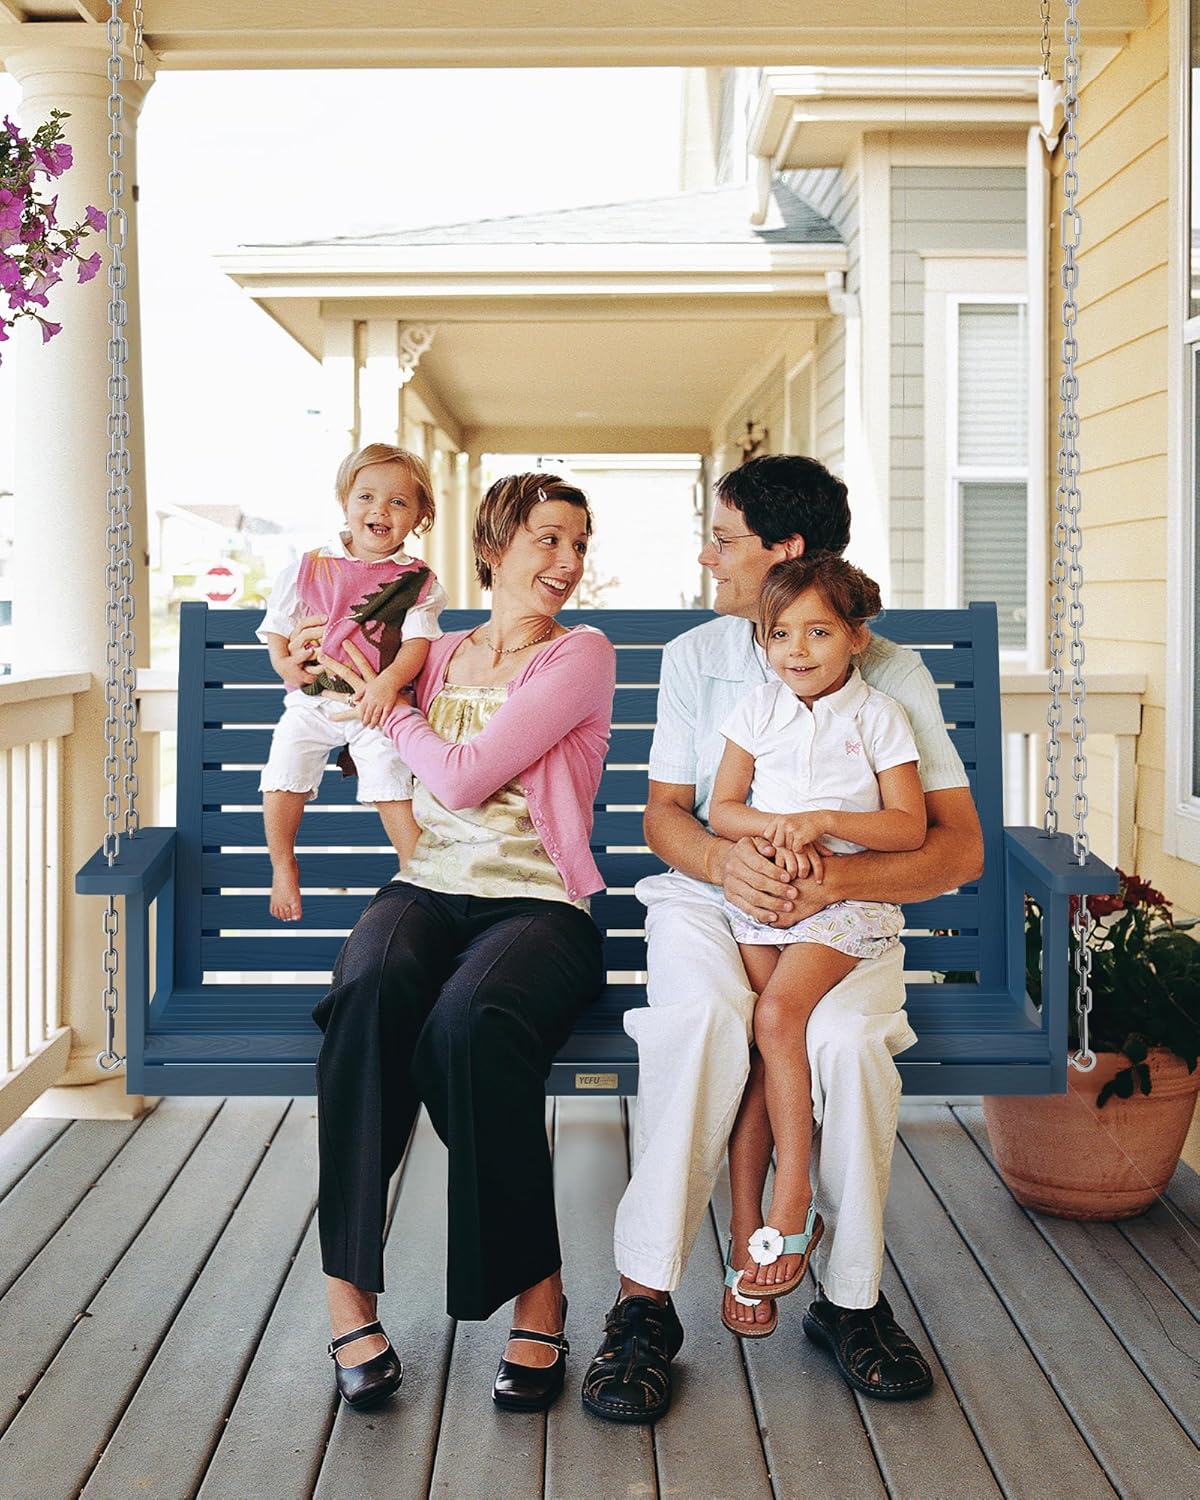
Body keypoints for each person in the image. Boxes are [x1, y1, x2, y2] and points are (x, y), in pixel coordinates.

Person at [582, 455, 983, 1422]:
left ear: (785, 549)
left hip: (842, 910)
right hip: (713, 898)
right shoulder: (698, 658)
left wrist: (833, 879)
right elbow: (669, 815)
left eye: (724, 540)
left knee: (846, 1042)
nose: (709, 558)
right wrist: (729, 865)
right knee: (701, 1022)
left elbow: (956, 848)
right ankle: (644, 1305)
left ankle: (849, 1298)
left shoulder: (889, 678)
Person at [309, 472, 615, 1415]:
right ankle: (347, 1297)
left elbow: (465, 777)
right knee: (366, 993)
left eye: (577, 543)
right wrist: (338, 656)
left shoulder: (580, 654)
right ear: (493, 547)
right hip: (428, 887)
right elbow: (333, 665)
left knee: (468, 1027)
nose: (567, 561)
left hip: (540, 904)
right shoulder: (435, 652)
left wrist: (395, 708)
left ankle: (538, 1292)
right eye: (547, 539)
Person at [707, 553, 925, 1338]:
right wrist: (776, 828)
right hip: (766, 903)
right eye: (779, 634)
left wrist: (824, 820)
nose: (795, 649)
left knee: (776, 1019)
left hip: (842, 904)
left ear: (857, 637)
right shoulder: (758, 709)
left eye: (818, 632)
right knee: (761, 1054)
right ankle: (748, 1233)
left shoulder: (878, 717)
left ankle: (792, 1195)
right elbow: (723, 808)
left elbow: (908, 826)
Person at [257, 442, 447, 922]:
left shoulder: (418, 582)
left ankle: (418, 876)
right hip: (313, 698)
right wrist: (284, 664)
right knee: (283, 772)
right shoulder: (310, 566)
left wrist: (388, 684)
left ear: (420, 516)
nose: (380, 510)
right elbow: (278, 625)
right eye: (366, 497)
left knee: (391, 779)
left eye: (398, 502)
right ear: (345, 502)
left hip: (374, 703)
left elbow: (417, 644)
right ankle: (283, 864)